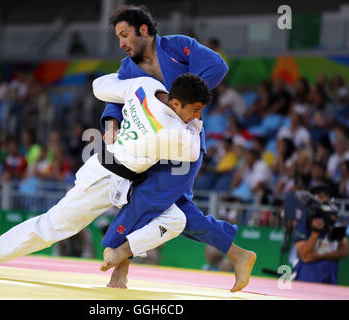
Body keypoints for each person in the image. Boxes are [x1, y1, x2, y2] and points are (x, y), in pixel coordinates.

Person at [0, 73, 209, 278]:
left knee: (176, 219)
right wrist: (196, 124)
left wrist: (126, 89)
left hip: (127, 175)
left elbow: (100, 87)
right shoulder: (172, 131)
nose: (197, 117)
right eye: (196, 110)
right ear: (176, 103)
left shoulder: (146, 86)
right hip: (106, 177)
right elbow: (192, 151)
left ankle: (122, 250)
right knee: (56, 225)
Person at [98, 5, 256, 292]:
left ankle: (116, 254)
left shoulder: (177, 46)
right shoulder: (127, 68)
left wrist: (184, 94)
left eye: (124, 35)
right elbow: (116, 99)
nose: (121, 43)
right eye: (118, 37)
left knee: (146, 200)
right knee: (176, 212)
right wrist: (111, 124)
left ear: (143, 30)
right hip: (148, 146)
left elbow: (217, 66)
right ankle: (238, 254)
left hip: (182, 144)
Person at [292, 185, 349, 284]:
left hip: (330, 274)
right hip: (308, 274)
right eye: (317, 196)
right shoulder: (303, 223)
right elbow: (305, 256)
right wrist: (316, 231)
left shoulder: (334, 222)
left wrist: (320, 256)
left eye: (324, 196)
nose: (320, 199)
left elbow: (344, 251)